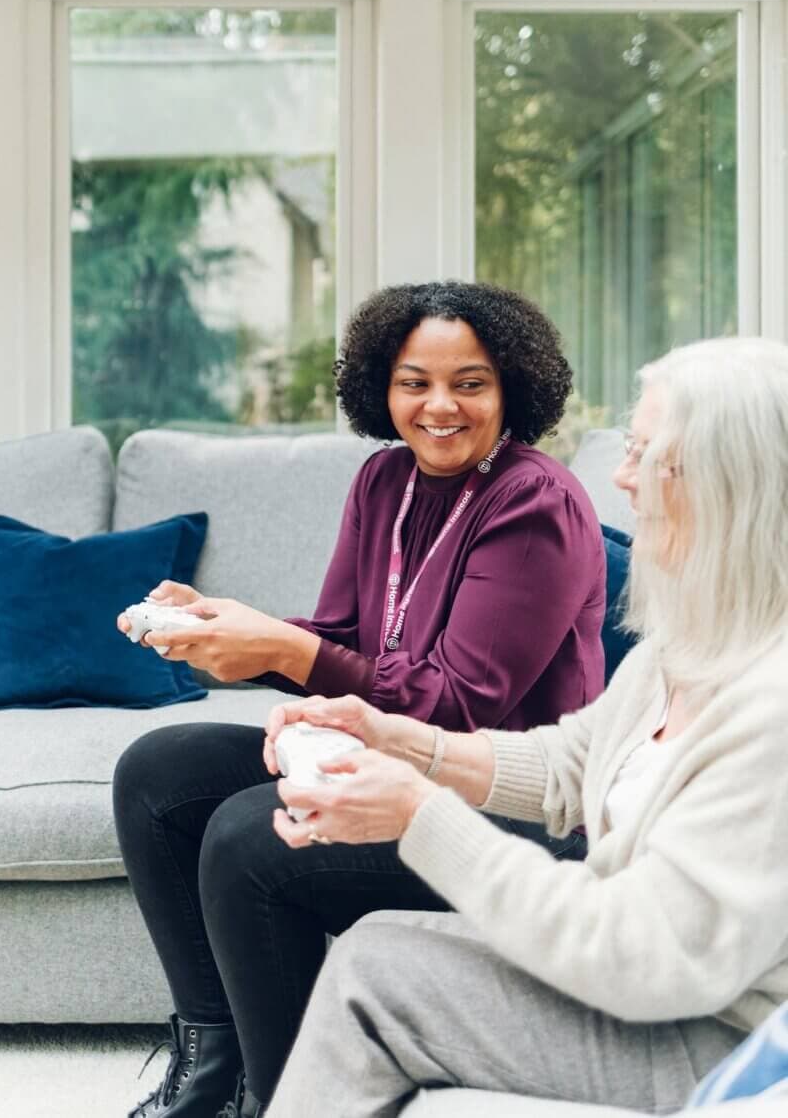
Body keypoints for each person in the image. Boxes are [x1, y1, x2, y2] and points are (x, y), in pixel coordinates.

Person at [114, 280, 607, 1118]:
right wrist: (227, 632)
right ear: (382, 387)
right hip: (389, 760)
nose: (440, 406)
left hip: (513, 802)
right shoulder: (385, 481)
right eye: (415, 381)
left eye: (471, 383)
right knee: (159, 771)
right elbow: (343, 637)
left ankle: (297, 1099)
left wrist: (282, 648)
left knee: (249, 836)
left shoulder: (536, 501)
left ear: (513, 387)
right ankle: (213, 1079)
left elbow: (457, 702)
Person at [264, 335, 788, 1118]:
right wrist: (393, 738)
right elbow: (568, 765)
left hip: (724, 1039)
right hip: (675, 998)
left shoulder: (771, 707)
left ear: (730, 482)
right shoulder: (687, 647)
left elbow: (646, 956)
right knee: (375, 944)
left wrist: (417, 814)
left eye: (648, 455)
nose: (622, 477)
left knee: (375, 976)